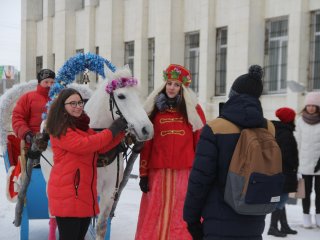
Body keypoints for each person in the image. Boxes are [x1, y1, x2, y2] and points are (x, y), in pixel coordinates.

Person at [184, 65, 273, 240]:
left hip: (217, 218)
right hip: (254, 217)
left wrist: (191, 218)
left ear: (232, 95)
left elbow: (200, 179)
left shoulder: (216, 128)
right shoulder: (269, 128)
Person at [135, 64, 206, 240]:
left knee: (181, 212)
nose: (172, 88)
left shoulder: (193, 111)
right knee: (156, 211)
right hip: (157, 173)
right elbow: (147, 144)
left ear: (182, 88)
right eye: (169, 83)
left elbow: (201, 143)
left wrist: (201, 173)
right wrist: (143, 173)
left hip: (185, 173)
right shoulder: (154, 110)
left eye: (176, 84)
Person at [45, 88, 127, 240]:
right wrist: (112, 130)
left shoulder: (82, 127)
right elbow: (85, 145)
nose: (78, 106)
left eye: (80, 102)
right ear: (62, 106)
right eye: (72, 103)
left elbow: (99, 146)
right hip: (68, 195)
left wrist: (120, 133)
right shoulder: (60, 128)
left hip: (83, 194)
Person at [11, 68, 57, 240]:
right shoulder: (28, 98)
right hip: (34, 146)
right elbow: (17, 118)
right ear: (40, 82)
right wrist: (28, 134)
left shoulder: (59, 97)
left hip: (58, 147)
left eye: (52, 82)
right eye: (46, 82)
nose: (50, 85)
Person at [267, 107, 299, 237]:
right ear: (290, 119)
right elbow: (286, 154)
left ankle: (284, 225)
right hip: (285, 171)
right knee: (281, 199)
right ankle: (273, 227)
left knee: (281, 198)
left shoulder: (278, 129)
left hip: (280, 170)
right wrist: (294, 165)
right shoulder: (285, 133)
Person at [295, 92, 320, 229]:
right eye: (308, 105)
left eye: (314, 105)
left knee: (319, 193)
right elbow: (297, 142)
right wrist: (296, 164)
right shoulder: (300, 121)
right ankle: (306, 217)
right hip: (304, 164)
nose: (310, 108)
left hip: (319, 164)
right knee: (306, 193)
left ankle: (318, 216)